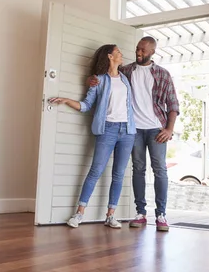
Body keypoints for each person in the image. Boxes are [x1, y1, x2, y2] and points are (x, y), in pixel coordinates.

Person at [87, 36, 179, 232]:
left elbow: (172, 104)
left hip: (156, 129)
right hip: (133, 129)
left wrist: (169, 129)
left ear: (152, 52)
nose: (139, 53)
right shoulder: (127, 71)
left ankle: (161, 214)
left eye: (143, 50)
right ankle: (141, 213)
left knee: (159, 169)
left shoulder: (162, 74)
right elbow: (106, 77)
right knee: (138, 169)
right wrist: (92, 80)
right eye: (137, 48)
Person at [49, 44, 136, 229]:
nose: (122, 54)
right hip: (108, 129)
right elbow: (86, 105)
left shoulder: (125, 79)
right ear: (110, 57)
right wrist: (66, 100)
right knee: (95, 171)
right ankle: (79, 213)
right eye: (118, 52)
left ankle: (111, 216)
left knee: (119, 175)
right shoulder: (99, 80)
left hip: (127, 131)